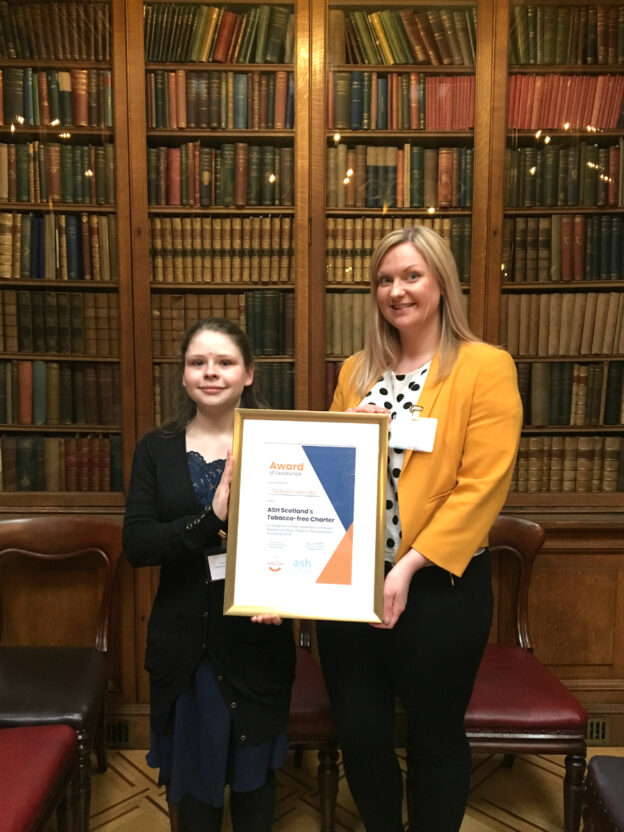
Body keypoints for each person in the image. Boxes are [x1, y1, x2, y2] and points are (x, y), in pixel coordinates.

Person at [316, 225, 523, 832]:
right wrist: (344, 431)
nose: (397, 290)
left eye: (411, 276)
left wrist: (407, 567)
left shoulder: (485, 367)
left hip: (439, 590)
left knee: (434, 737)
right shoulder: (356, 371)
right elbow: (325, 481)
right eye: (385, 279)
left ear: (440, 283)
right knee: (360, 735)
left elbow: (481, 486)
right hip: (349, 588)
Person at [123, 317, 295, 832]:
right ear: (182, 375)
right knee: (195, 796)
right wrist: (211, 516)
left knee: (254, 789)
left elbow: (309, 536)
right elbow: (138, 545)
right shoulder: (156, 449)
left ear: (249, 374)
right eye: (198, 363)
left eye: (225, 362)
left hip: (257, 643)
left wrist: (285, 592)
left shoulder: (285, 442)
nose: (211, 372)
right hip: (186, 647)